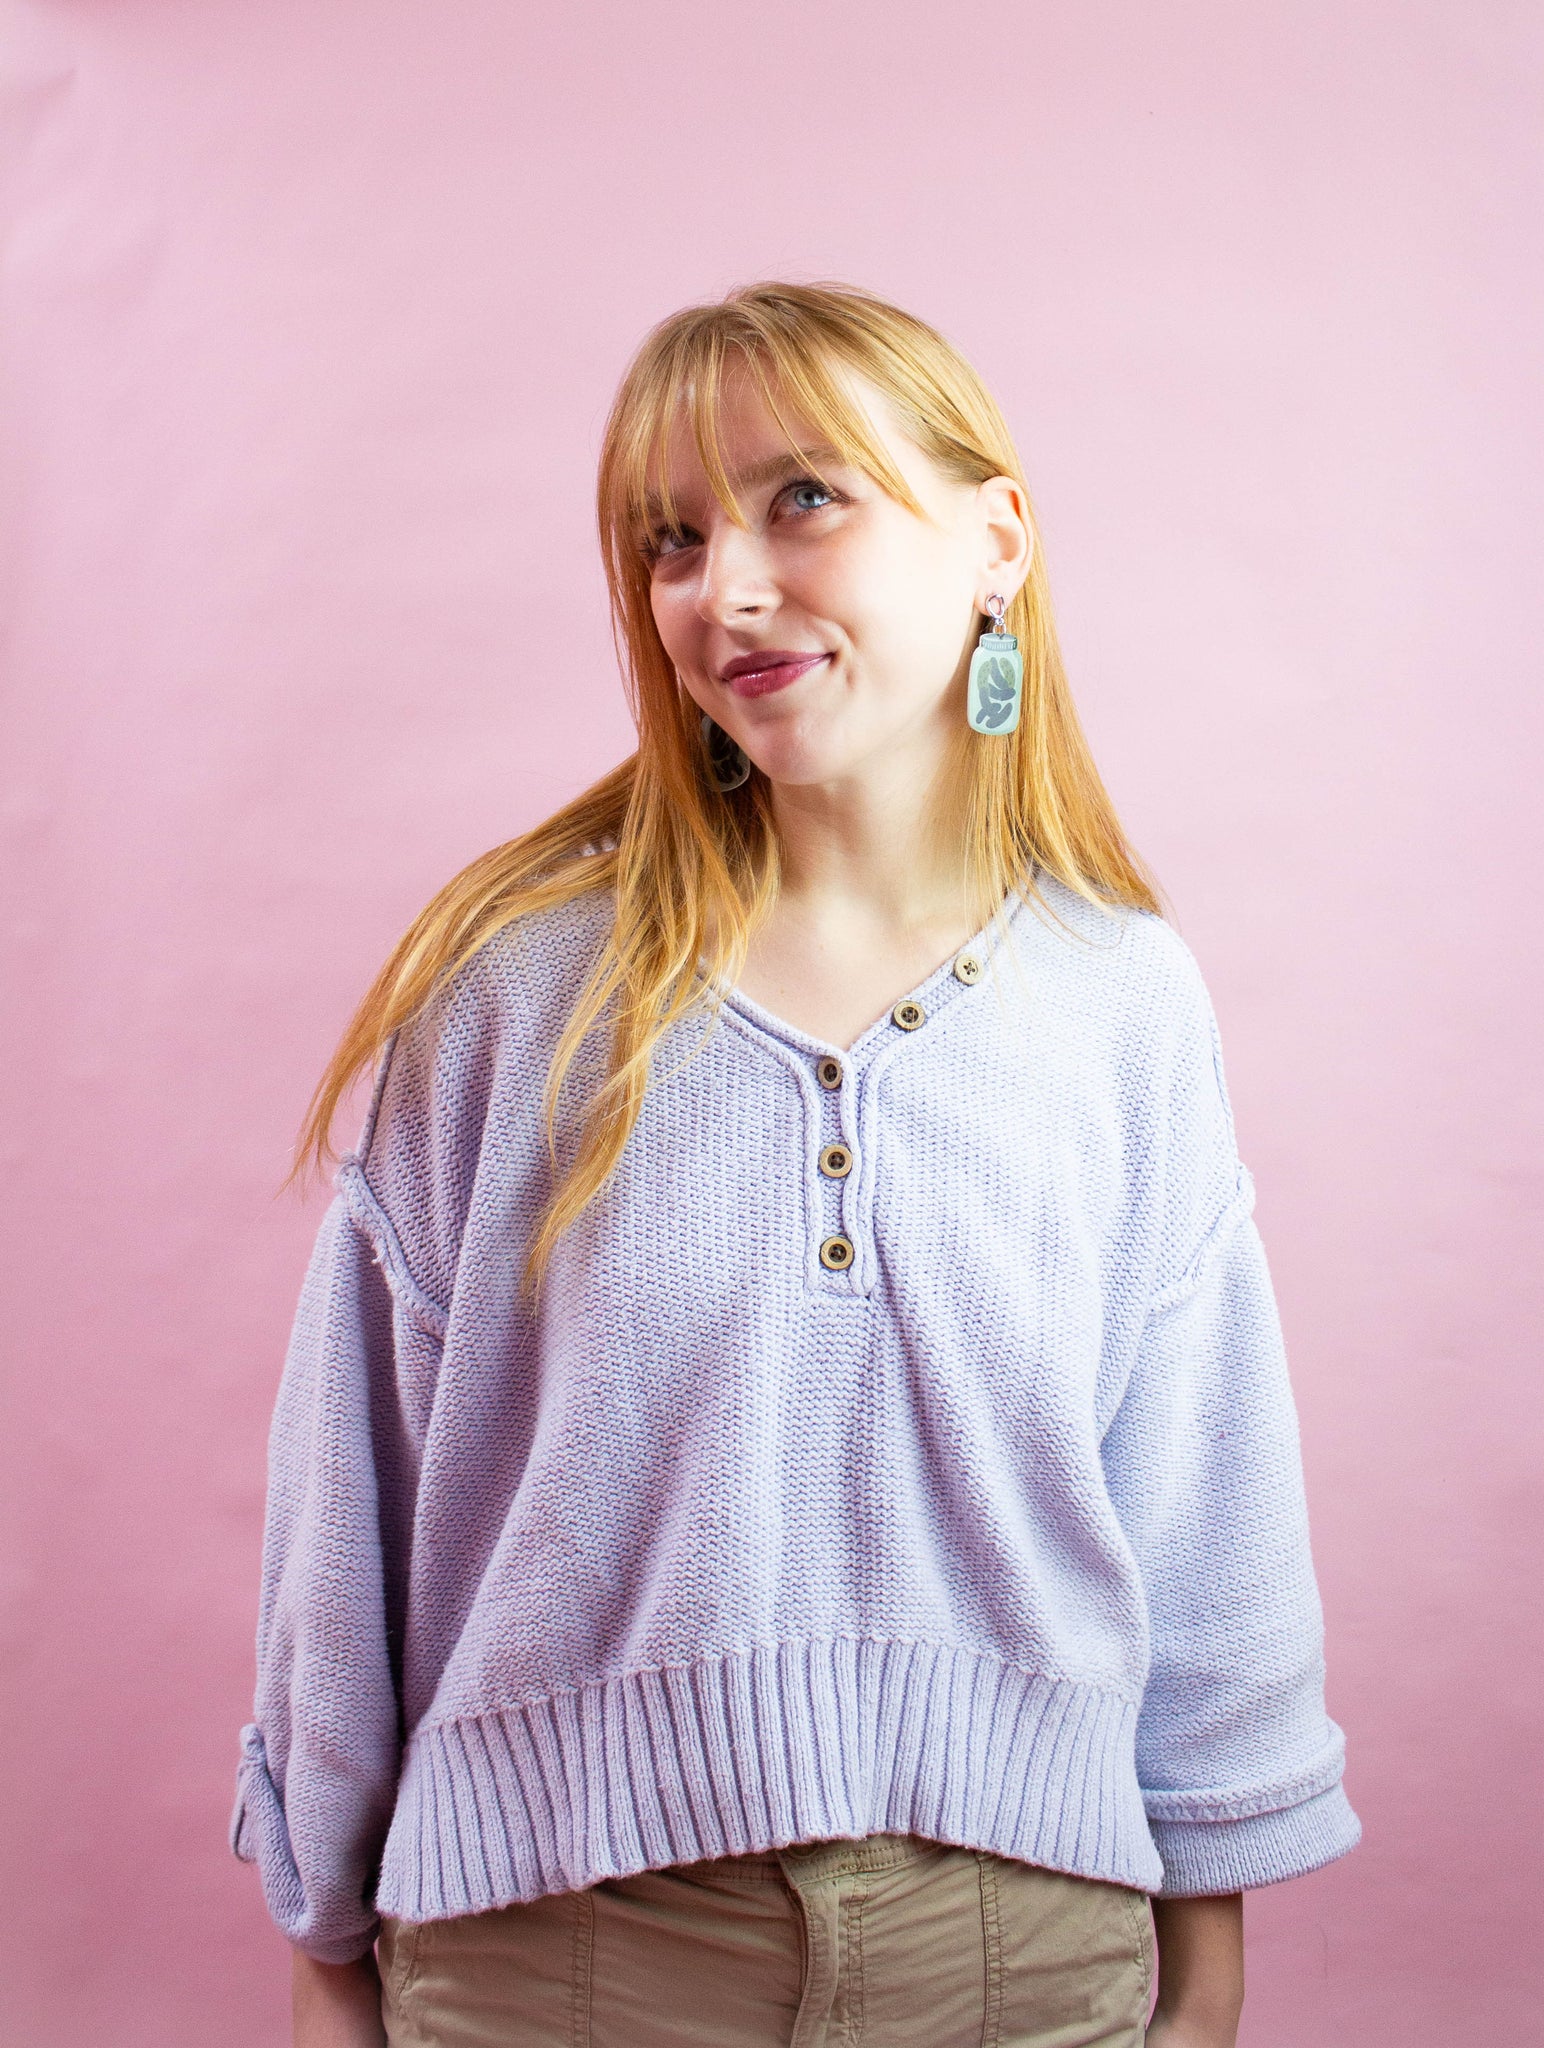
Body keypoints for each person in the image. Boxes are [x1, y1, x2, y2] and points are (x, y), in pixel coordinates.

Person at [230, 280, 1361, 2048]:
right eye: (670, 539)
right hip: (564, 1959)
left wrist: (1204, 1968)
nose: (725, 590)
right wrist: (324, 1952)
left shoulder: (1125, 998)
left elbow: (1204, 1497)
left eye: (802, 498)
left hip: (1024, 1952)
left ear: (997, 543)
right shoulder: (521, 991)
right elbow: (350, 1493)